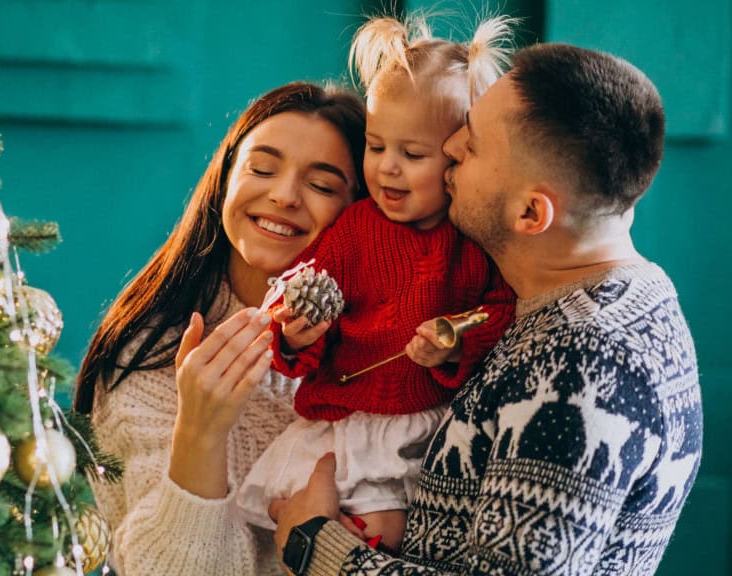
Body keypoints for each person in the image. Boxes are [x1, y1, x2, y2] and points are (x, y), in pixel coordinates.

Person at [269, 43, 702, 576]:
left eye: (470, 146)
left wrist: (315, 545)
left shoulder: (580, 370)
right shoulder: (629, 294)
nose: (448, 145)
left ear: (529, 211)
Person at [236, 14, 517, 553]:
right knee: (281, 501)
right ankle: (304, 530)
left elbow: (500, 309)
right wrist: (295, 329)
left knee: (388, 529)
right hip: (347, 418)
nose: (387, 168)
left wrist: (456, 337)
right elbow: (302, 282)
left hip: (422, 428)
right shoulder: (356, 228)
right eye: (376, 145)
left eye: (412, 155)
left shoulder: (474, 240)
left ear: (458, 158)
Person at [73, 81, 368, 575]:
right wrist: (201, 432)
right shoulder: (148, 355)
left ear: (359, 210)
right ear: (226, 177)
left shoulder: (384, 351)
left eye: (321, 185)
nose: (283, 195)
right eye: (262, 168)